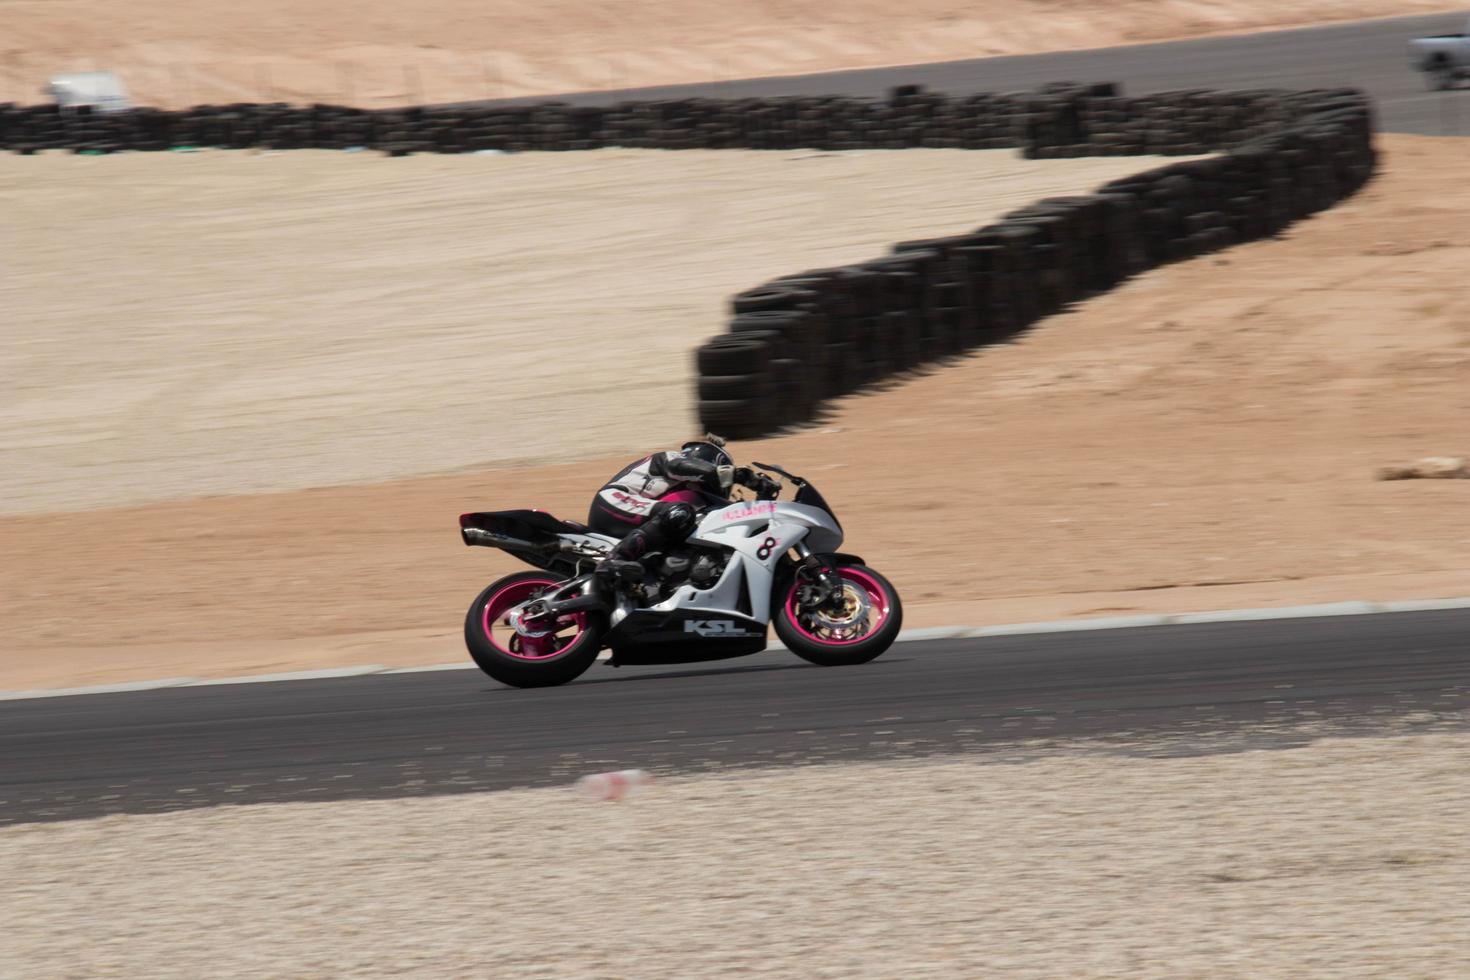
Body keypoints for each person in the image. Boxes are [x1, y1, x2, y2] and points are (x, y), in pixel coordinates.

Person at [588, 437, 778, 588]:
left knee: (684, 523)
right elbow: (683, 467)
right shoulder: (669, 459)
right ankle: (616, 559)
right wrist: (736, 475)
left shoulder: (685, 494)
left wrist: (764, 496)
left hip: (637, 521)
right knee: (679, 512)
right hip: (612, 501)